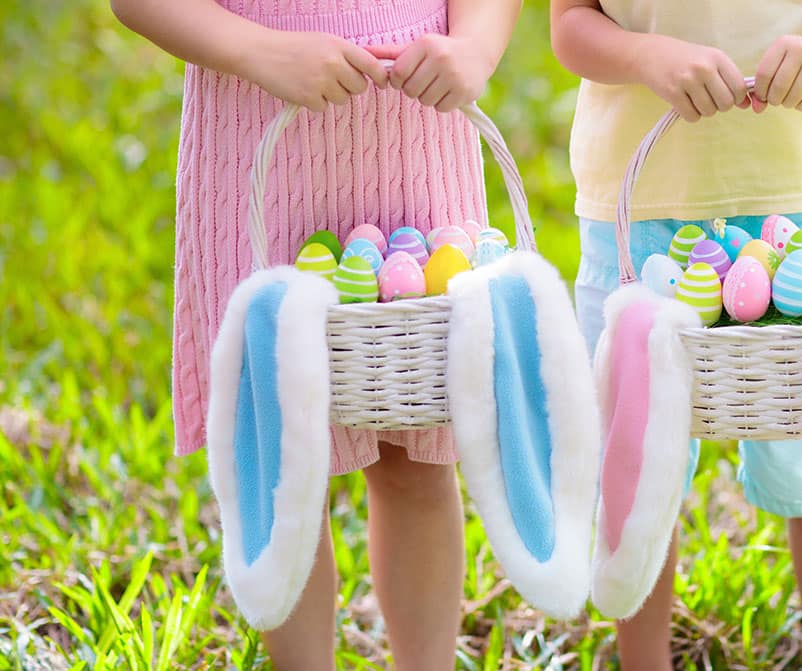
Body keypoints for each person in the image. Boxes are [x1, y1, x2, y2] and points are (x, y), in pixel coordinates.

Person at [110, 0, 519, 667]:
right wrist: (262, 50)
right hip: (259, 130)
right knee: (282, 458)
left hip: (411, 135)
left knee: (416, 453)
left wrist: (474, 47)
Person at [549, 0, 802, 667]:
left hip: (792, 206)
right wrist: (644, 55)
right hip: (636, 207)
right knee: (633, 453)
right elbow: (570, 22)